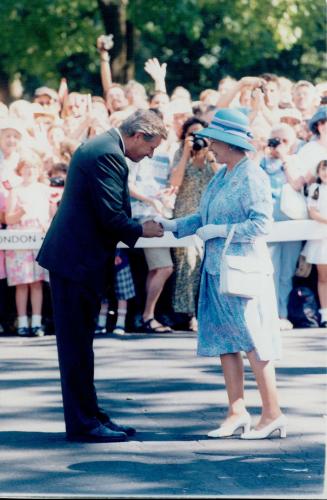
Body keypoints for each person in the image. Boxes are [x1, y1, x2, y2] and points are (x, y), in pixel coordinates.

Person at [36, 109, 167, 443]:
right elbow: (112, 218)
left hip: (75, 260)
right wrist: (144, 229)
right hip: (75, 261)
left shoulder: (103, 147)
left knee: (81, 347)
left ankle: (90, 415)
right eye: (151, 147)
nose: (150, 154)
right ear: (139, 135)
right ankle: (83, 423)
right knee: (77, 348)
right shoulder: (108, 154)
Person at [157, 109, 285, 440]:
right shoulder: (222, 175)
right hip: (216, 271)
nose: (209, 144)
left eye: (214, 139)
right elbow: (202, 216)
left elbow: (261, 224)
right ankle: (236, 411)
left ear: (229, 143)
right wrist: (172, 225)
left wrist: (219, 231)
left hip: (242, 271)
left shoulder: (252, 175)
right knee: (224, 342)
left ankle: (272, 414)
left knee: (254, 342)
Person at [169, 116, 216, 331]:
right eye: (192, 135)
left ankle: (205, 312)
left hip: (209, 218)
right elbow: (174, 183)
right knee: (187, 264)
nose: (197, 138)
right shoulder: (180, 154)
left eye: (201, 134)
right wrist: (187, 153)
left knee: (207, 266)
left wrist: (210, 154)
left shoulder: (213, 155)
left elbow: (222, 178)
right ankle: (186, 314)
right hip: (186, 216)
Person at [260, 124, 304, 330]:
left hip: (291, 220)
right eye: (275, 140)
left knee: (286, 272)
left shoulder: (296, 160)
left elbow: (297, 184)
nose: (279, 144)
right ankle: (270, 315)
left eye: (284, 141)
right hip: (269, 220)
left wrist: (285, 157)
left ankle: (283, 313)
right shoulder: (261, 161)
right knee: (271, 270)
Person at [5, 150, 51, 337]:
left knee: (37, 283)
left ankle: (37, 322)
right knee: (22, 283)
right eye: (26, 167)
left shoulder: (43, 189)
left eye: (33, 167)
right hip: (20, 238)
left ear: (39, 170)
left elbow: (50, 215)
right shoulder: (15, 191)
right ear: (20, 170)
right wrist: (20, 213)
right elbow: (8, 218)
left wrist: (45, 224)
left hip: (38, 238)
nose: (30, 171)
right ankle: (23, 321)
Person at [301, 160, 327, 328]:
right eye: (323, 169)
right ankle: (325, 313)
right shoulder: (315, 189)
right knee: (323, 278)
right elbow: (313, 212)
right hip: (321, 238)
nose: (325, 172)